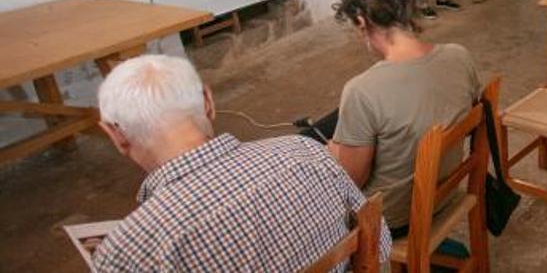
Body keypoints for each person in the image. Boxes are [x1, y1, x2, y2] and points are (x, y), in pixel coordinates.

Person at [92, 55, 391, 271]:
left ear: (115, 134)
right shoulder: (306, 152)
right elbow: (380, 243)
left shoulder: (127, 250)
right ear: (208, 102)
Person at [311, 0, 481, 237]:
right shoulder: (459, 55)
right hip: (446, 193)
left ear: (362, 21)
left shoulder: (361, 91)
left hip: (392, 219)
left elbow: (351, 179)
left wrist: (332, 152)